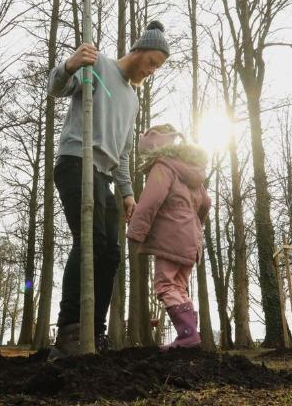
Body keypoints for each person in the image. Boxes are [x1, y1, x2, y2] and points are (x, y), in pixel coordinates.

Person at [46, 21, 170, 358]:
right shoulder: (97, 64)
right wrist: (70, 64)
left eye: (158, 67)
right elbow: (56, 88)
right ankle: (69, 332)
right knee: (89, 241)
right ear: (139, 50)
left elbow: (124, 151)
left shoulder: (132, 98)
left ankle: (94, 333)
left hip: (103, 176)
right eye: (152, 63)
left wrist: (127, 191)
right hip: (75, 161)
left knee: (110, 254)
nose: (152, 71)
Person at [126, 124, 210, 350]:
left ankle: (188, 335)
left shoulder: (164, 167)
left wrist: (135, 232)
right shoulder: (192, 171)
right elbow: (206, 203)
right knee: (179, 287)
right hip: (191, 239)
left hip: (171, 237)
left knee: (165, 285)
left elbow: (150, 202)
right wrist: (194, 225)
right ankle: (190, 337)